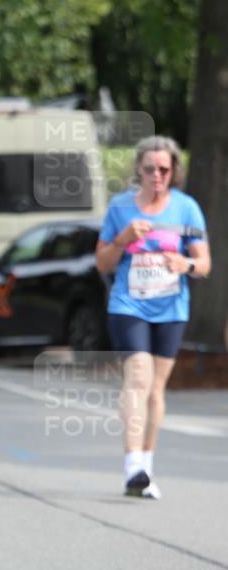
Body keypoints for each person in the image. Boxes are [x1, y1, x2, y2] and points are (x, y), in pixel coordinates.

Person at [95, 135, 211, 500]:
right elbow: (102, 262)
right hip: (129, 305)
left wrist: (186, 263)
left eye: (164, 169)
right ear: (139, 171)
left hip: (171, 308)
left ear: (174, 170)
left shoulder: (187, 209)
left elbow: (204, 264)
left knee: (156, 388)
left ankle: (146, 465)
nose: (157, 175)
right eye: (150, 169)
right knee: (138, 379)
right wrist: (123, 240)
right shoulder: (121, 208)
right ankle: (132, 466)